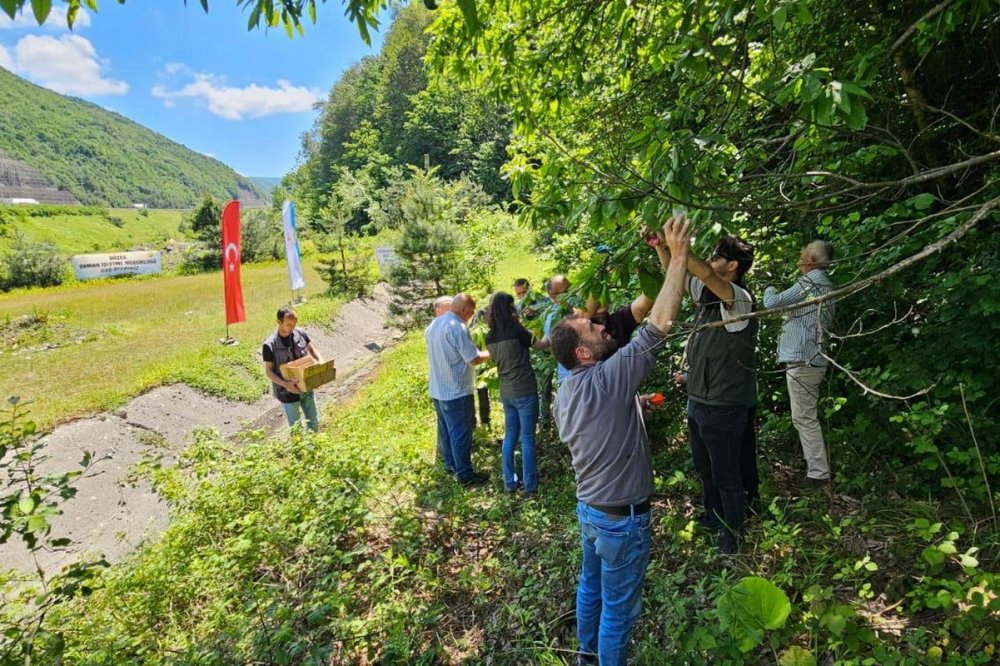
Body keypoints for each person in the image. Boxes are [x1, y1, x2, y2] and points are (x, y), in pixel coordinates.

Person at [551, 216, 690, 666]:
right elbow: (662, 320)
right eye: (593, 329)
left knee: (590, 589)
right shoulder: (609, 378)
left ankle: (584, 658)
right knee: (618, 612)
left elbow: (600, 425)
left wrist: (635, 407)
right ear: (584, 353)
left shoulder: (566, 389)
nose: (603, 327)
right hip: (621, 522)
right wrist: (679, 252)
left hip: (590, 512)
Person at [651, 227, 757, 554]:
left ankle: (733, 530)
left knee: (727, 471)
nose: (711, 261)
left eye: (717, 256)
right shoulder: (709, 297)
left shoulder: (738, 299)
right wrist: (660, 245)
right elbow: (678, 273)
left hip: (725, 403)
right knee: (703, 464)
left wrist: (678, 244)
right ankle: (713, 515)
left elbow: (706, 274)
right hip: (699, 397)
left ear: (732, 266)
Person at [763, 240, 835, 487]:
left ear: (811, 261)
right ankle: (816, 471)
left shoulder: (811, 282)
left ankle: (818, 474)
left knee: (804, 418)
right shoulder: (824, 284)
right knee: (805, 416)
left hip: (804, 360)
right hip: (811, 359)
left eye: (802, 254)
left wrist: (768, 288)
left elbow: (772, 303)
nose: (799, 257)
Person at [425, 293, 491, 486]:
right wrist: (493, 352)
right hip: (456, 391)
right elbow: (474, 358)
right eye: (470, 312)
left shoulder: (434, 325)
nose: (471, 316)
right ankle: (465, 475)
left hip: (438, 390)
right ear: (463, 310)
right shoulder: (458, 327)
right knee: (460, 433)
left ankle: (450, 465)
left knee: (446, 431)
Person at [486, 292, 545, 494]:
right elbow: (540, 345)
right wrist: (553, 334)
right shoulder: (517, 330)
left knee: (510, 436)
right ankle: (530, 485)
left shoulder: (490, 336)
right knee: (528, 437)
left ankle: (509, 482)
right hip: (525, 390)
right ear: (509, 308)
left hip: (507, 392)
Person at [262, 306, 323, 431]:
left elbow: (312, 349)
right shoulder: (269, 345)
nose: (292, 327)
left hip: (307, 386)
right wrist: (286, 384)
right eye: (289, 324)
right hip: (287, 393)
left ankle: (314, 447)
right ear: (279, 322)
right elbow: (269, 371)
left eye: (294, 323)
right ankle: (299, 450)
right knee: (296, 429)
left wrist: (320, 361)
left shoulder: (300, 333)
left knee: (314, 422)